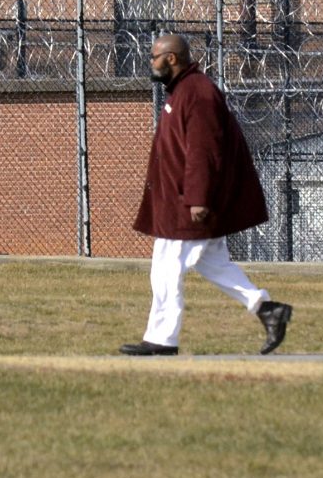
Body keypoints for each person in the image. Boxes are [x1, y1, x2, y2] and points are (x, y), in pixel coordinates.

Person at [119, 34, 293, 356]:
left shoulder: (197, 93)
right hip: (180, 202)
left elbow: (204, 151)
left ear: (171, 59)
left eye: (154, 57)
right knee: (214, 264)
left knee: (166, 269)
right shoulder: (183, 91)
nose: (150, 62)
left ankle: (161, 339)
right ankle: (268, 310)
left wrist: (199, 197)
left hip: (189, 205)